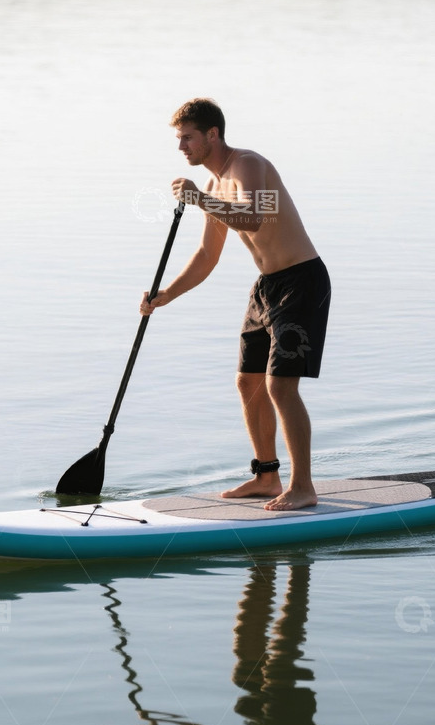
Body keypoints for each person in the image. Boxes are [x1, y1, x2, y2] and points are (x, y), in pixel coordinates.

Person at [140, 98, 331, 511]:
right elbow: (208, 256)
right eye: (179, 139)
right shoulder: (212, 186)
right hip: (266, 287)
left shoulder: (248, 164)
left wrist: (198, 200)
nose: (181, 148)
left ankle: (303, 487)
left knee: (280, 385)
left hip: (301, 281)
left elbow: (253, 217)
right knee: (248, 382)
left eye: (187, 138)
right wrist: (166, 294)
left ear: (213, 134)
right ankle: (266, 475)